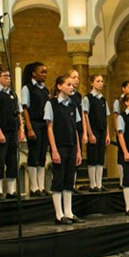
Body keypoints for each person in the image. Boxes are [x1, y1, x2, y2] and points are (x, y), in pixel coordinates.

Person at [45, 74, 84, 225]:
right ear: (59, 86)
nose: (71, 87)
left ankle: (68, 212)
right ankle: (58, 214)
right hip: (59, 146)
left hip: (71, 146)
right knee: (59, 179)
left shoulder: (73, 105)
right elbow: (49, 127)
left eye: (72, 85)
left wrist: (78, 150)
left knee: (69, 180)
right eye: (68, 84)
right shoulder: (52, 104)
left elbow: (75, 129)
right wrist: (53, 149)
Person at [0, 67, 24, 200]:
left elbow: (18, 113)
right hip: (1, 132)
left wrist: (21, 129)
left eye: (9, 76)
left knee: (12, 160)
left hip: (12, 131)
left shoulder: (13, 95)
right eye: (5, 76)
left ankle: (11, 190)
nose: (8, 78)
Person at [21, 62, 50, 197]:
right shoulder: (27, 88)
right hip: (33, 123)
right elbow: (25, 108)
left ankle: (41, 185)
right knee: (34, 154)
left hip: (44, 124)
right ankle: (34, 187)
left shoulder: (45, 90)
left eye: (45, 72)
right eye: (42, 72)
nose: (44, 75)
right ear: (33, 73)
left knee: (42, 154)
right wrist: (29, 127)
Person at [82, 74, 110, 192]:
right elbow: (86, 115)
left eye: (102, 81)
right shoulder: (88, 98)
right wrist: (90, 133)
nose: (100, 83)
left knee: (100, 158)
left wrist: (107, 134)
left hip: (102, 130)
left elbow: (106, 117)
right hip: (93, 130)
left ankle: (99, 183)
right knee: (93, 157)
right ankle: (93, 184)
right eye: (98, 81)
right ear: (91, 83)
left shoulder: (103, 99)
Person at [113, 80, 129, 188]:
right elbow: (115, 116)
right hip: (122, 129)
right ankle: (122, 179)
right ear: (123, 88)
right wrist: (117, 129)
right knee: (121, 155)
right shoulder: (118, 101)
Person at [68, 69, 87, 193]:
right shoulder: (66, 95)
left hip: (78, 128)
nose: (77, 80)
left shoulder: (78, 96)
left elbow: (82, 114)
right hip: (68, 129)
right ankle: (68, 184)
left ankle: (73, 183)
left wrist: (85, 132)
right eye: (74, 77)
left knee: (77, 157)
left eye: (78, 77)